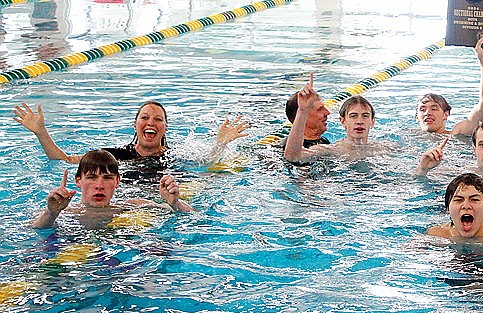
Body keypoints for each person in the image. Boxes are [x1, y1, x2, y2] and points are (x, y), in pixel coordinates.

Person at [14, 100, 249, 165]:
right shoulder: (115, 156)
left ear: (165, 128)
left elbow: (208, 163)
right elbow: (62, 159)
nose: (151, 123)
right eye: (145, 118)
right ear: (135, 125)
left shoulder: (177, 154)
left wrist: (220, 144)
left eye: (158, 119)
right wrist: (41, 132)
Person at [31, 150, 192, 229]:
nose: (99, 185)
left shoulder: (130, 206)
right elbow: (35, 228)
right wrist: (52, 213)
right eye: (92, 177)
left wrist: (174, 203)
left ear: (117, 181)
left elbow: (190, 214)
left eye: (107, 178)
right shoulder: (65, 212)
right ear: (78, 181)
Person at [283, 75, 379, 162]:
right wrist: (303, 111)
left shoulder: (385, 148)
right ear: (343, 121)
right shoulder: (331, 149)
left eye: (365, 116)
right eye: (353, 116)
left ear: (372, 121)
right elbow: (293, 157)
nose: (359, 121)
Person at [416, 37, 483, 136]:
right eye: (422, 109)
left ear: (446, 114)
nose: (427, 113)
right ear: (417, 117)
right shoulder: (408, 136)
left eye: (434, 108)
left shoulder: (457, 134)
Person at [426, 173, 483, 247]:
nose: (466, 206)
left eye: (474, 200)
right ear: (448, 208)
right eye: (458, 200)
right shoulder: (436, 235)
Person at [417, 122, 483, 175]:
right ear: (474, 150)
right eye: (482, 145)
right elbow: (408, 182)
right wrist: (423, 169)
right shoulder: (459, 173)